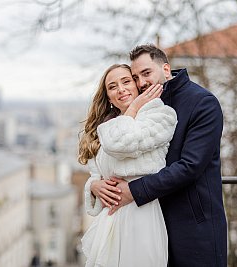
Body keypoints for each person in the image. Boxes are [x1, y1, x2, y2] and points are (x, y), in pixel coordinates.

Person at [95, 44, 228, 266]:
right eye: (135, 77)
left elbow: (190, 166)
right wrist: (94, 185)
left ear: (166, 69)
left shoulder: (202, 103)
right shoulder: (143, 106)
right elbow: (116, 159)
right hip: (152, 222)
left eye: (146, 73)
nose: (141, 82)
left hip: (193, 227)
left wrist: (134, 191)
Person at [78, 63, 177, 267]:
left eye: (126, 81)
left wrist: (133, 108)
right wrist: (94, 186)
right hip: (111, 218)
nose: (120, 89)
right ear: (108, 97)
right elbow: (97, 172)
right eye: (112, 86)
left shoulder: (159, 115)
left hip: (140, 213)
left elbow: (120, 144)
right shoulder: (108, 126)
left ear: (136, 84)